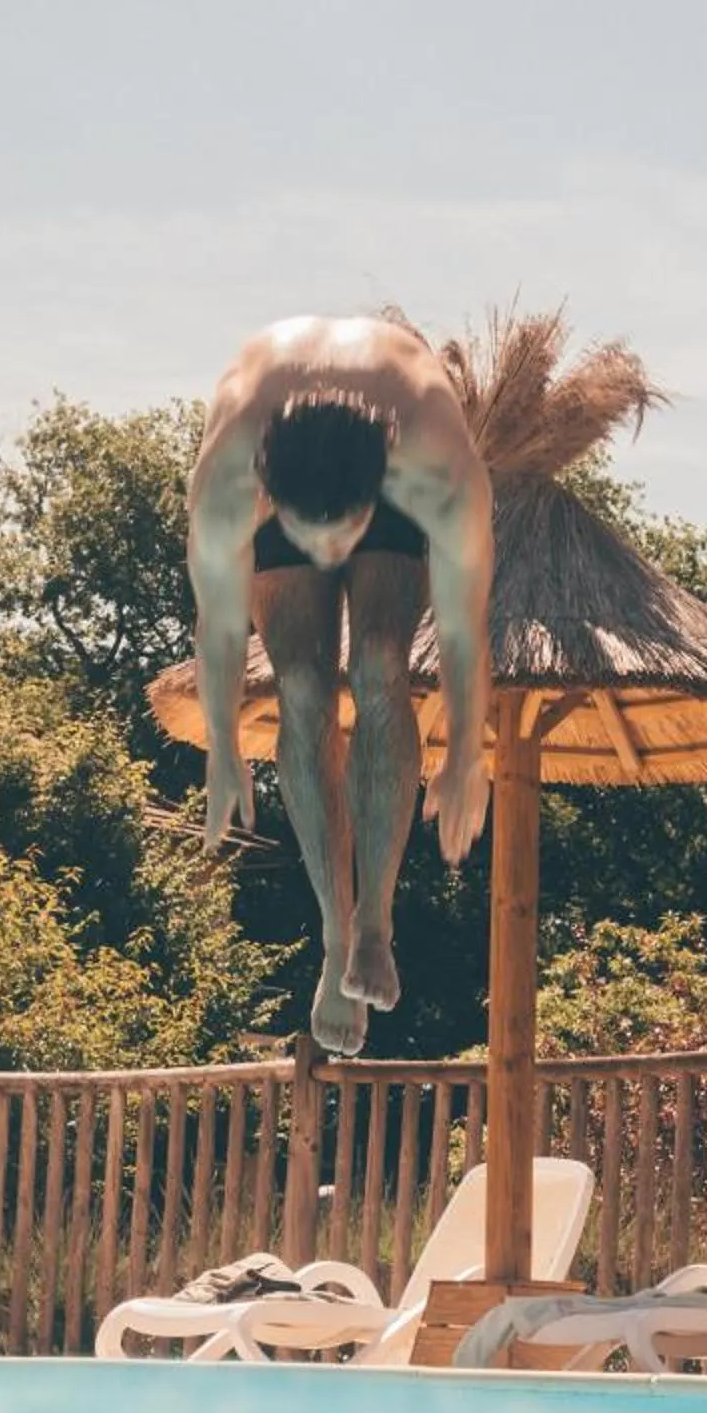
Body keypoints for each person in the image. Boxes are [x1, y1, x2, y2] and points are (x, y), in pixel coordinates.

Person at [188, 316, 493, 1054]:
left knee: (382, 664)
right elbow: (221, 626)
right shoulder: (229, 474)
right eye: (312, 534)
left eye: (342, 533)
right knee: (300, 683)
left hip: (383, 476)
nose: (328, 553)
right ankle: (335, 935)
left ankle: (375, 927)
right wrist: (223, 745)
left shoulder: (435, 460)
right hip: (287, 471)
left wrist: (464, 754)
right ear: (265, 487)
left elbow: (462, 628)